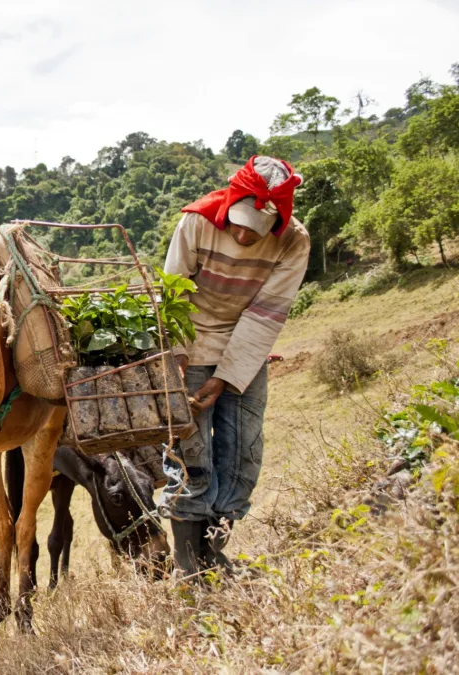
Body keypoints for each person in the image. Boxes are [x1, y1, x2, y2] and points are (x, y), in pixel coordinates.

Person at [160, 156, 310, 577]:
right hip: (189, 344)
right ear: (229, 204)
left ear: (277, 222)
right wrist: (177, 358)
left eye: (256, 229)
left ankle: (212, 553)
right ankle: (187, 565)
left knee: (242, 453)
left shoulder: (293, 241)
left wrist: (226, 377)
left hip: (245, 350)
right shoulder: (195, 223)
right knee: (192, 458)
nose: (244, 234)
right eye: (239, 223)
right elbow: (173, 298)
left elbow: (267, 313)